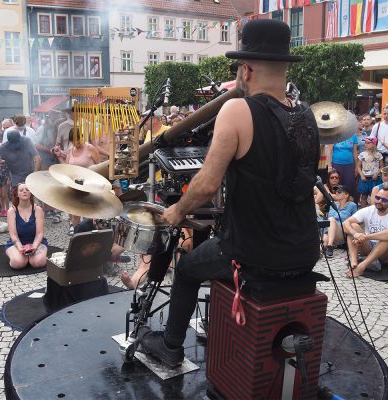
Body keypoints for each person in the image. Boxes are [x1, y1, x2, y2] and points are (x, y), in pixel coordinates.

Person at [137, 20, 320, 367]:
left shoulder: (238, 109)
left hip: (254, 253)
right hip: (304, 250)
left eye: (238, 68)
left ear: (247, 69)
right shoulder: (308, 114)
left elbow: (206, 185)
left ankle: (171, 347)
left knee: (189, 267)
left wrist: (177, 212)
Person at [343, 187, 388, 278]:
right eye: (377, 197)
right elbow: (345, 223)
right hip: (370, 247)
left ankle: (362, 266)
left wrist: (367, 237)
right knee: (353, 226)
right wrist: (355, 234)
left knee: (387, 237)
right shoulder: (369, 210)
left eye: (383, 199)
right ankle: (354, 262)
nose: (379, 201)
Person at [53, 130, 100, 235]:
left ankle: (90, 235)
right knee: (75, 213)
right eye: (74, 141)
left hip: (89, 185)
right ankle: (77, 235)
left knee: (88, 212)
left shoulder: (90, 148)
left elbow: (99, 166)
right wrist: (59, 156)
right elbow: (67, 168)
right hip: (75, 186)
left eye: (78, 139)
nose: (77, 143)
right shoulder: (70, 150)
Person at [5, 183, 48, 269]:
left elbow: (40, 233)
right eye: (21, 190)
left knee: (38, 263)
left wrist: (34, 247)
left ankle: (32, 257)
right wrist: (20, 247)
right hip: (17, 243)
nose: (25, 191)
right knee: (18, 263)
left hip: (36, 242)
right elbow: (13, 234)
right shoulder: (12, 211)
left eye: (27, 190)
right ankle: (21, 257)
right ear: (17, 194)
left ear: (31, 193)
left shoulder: (37, 209)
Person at [323, 185, 357, 258]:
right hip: (329, 231)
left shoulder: (352, 205)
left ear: (346, 195)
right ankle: (318, 253)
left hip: (342, 232)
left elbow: (355, 222)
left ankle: (330, 245)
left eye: (339, 192)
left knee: (332, 219)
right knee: (322, 244)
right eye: (335, 192)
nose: (336, 193)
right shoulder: (333, 204)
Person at [326, 133, 359, 202]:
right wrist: (329, 166)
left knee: (350, 184)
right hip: (336, 164)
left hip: (349, 165)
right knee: (337, 184)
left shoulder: (353, 135)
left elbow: (355, 152)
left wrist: (356, 166)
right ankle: (337, 204)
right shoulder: (333, 135)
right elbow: (329, 151)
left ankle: (350, 205)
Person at [357, 137, 383, 208]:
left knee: (375, 195)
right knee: (364, 196)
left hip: (375, 179)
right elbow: (358, 166)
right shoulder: (362, 154)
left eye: (368, 143)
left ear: (374, 144)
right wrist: (361, 175)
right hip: (364, 178)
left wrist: (377, 174)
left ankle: (374, 210)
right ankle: (363, 211)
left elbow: (382, 167)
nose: (366, 144)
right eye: (365, 143)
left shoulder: (378, 155)